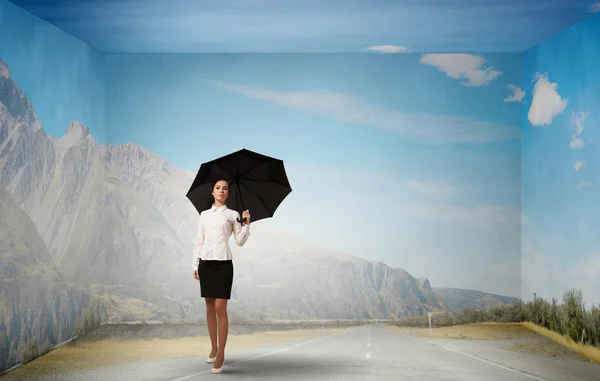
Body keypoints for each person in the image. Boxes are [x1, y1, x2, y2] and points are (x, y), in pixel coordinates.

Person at [192, 179, 251, 374]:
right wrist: (195, 264)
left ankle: (222, 353)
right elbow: (199, 241)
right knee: (209, 306)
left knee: (220, 308)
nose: (221, 190)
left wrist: (246, 224)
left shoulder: (233, 215)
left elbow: (240, 241)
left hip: (224, 264)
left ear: (228, 193)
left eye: (225, 188)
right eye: (218, 187)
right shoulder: (204, 215)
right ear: (212, 192)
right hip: (206, 264)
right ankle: (214, 347)